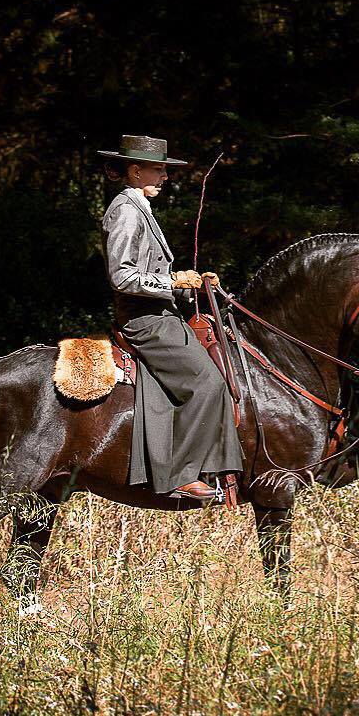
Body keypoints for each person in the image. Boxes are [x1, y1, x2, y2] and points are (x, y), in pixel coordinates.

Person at [97, 134, 243, 503]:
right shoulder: (126, 211)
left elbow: (150, 277)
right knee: (208, 383)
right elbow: (122, 276)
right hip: (145, 321)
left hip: (162, 312)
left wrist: (191, 285)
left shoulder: (140, 208)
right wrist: (173, 279)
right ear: (134, 170)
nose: (164, 177)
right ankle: (180, 474)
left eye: (164, 170)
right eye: (158, 169)